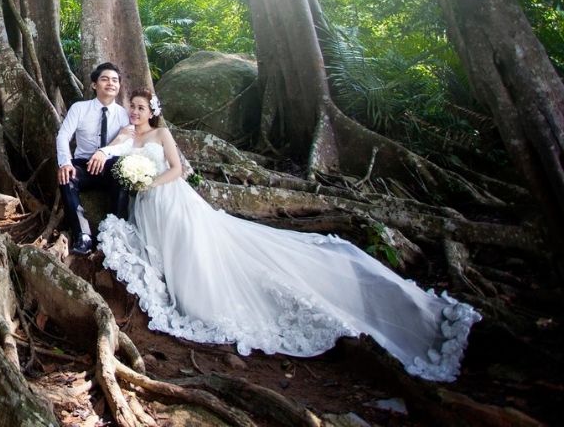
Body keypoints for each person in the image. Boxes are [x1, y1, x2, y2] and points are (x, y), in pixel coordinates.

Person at [93, 88, 481, 382]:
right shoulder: (128, 134)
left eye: (143, 107)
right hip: (145, 207)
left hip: (171, 200)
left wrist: (152, 183)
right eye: (134, 106)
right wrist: (108, 161)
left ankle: (200, 298)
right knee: (162, 252)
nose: (137, 111)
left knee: (190, 247)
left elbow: (179, 170)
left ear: (153, 111)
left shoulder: (162, 136)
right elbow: (112, 154)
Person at [57, 62, 129, 255]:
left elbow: (128, 142)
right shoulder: (79, 108)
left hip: (110, 165)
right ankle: (83, 235)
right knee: (66, 177)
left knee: (123, 172)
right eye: (105, 79)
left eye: (115, 80)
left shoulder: (124, 114)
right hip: (84, 166)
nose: (110, 83)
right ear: (94, 85)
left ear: (119, 86)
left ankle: (115, 235)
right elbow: (63, 136)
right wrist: (65, 162)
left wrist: (105, 152)